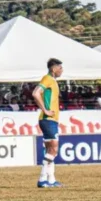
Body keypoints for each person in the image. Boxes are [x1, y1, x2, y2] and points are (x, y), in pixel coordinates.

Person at [33, 58, 64, 188]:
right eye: (60, 68)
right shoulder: (47, 79)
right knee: (53, 150)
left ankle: (51, 179)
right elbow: (35, 93)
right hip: (48, 119)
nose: (62, 70)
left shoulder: (53, 81)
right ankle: (42, 179)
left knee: (49, 149)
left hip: (50, 120)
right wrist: (45, 110)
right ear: (53, 68)